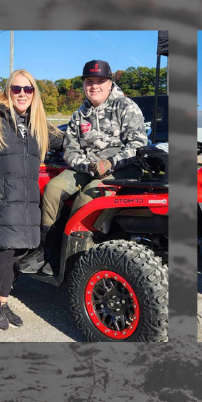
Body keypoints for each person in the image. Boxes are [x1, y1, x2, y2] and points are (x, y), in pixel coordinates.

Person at [0, 69, 62, 331]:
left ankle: (4, 301)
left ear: (34, 94)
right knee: (5, 249)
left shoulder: (35, 123)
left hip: (28, 198)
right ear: (8, 90)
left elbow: (63, 140)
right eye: (16, 88)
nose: (22, 94)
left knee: (18, 250)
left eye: (27, 89)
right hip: (2, 195)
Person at [37, 60, 148, 273]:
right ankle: (50, 249)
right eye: (89, 81)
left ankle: (80, 259)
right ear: (84, 85)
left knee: (87, 198)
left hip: (122, 168)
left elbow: (138, 145)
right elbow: (70, 150)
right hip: (87, 168)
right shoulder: (80, 114)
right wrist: (87, 166)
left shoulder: (125, 107)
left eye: (100, 81)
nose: (94, 86)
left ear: (110, 83)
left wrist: (111, 163)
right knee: (52, 190)